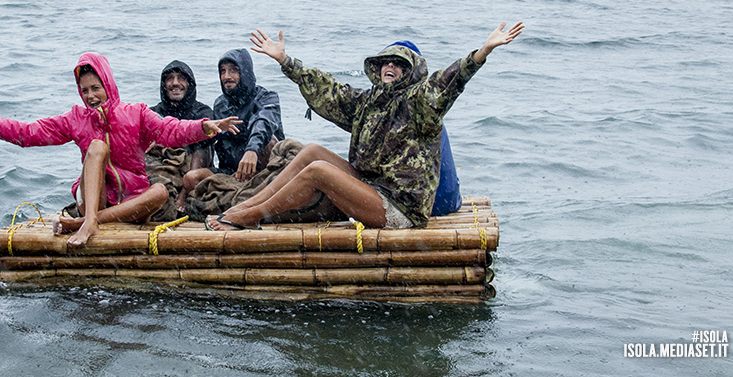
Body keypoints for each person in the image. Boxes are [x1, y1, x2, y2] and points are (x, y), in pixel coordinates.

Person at [206, 22, 524, 230]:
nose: (390, 66)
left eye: (399, 64)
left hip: (399, 208)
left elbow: (448, 82)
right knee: (312, 152)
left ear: (411, 72)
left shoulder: (420, 103)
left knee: (319, 172)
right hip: (370, 187)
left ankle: (252, 216)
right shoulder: (368, 102)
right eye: (385, 62)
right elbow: (328, 89)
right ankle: (244, 206)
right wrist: (286, 62)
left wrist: (482, 52)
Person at [0, 52, 240, 246]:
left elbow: (170, 130)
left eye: (96, 88)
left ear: (107, 85)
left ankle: (84, 224)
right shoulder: (74, 119)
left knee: (161, 191)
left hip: (130, 201)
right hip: (94, 199)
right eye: (84, 90)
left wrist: (205, 126)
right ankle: (89, 220)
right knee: (96, 146)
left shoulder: (135, 113)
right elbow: (28, 133)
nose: (90, 96)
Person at [181, 48, 285, 195]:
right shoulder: (220, 104)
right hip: (231, 174)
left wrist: (252, 150)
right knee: (191, 178)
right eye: (222, 71)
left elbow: (264, 121)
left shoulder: (267, 98)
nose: (226, 76)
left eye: (233, 70)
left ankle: (263, 193)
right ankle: (235, 192)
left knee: (268, 141)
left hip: (263, 173)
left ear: (245, 72)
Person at [148, 60, 214, 212]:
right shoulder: (153, 112)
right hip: (165, 162)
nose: (175, 83)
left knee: (205, 140)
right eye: (169, 79)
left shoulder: (203, 111)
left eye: (181, 78)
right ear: (163, 85)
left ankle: (185, 193)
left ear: (190, 84)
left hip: (191, 164)